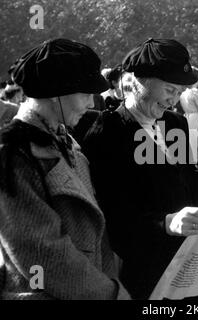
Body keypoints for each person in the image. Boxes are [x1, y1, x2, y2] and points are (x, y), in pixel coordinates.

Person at [0, 38, 130, 300]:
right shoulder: (14, 152)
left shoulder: (64, 140)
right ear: (55, 93)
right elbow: (41, 252)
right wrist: (109, 293)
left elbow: (95, 236)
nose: (91, 103)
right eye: (84, 94)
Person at [82, 38, 198, 300]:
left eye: (178, 92)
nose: (173, 101)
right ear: (139, 82)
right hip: (146, 273)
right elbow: (113, 218)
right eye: (169, 90)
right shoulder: (108, 132)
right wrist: (165, 224)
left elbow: (187, 185)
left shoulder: (175, 124)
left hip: (190, 265)